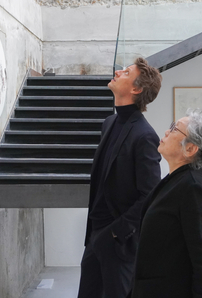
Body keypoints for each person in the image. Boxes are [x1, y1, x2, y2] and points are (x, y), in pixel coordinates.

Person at [77, 57, 163, 298]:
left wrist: (115, 233)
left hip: (118, 242)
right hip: (96, 235)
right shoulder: (109, 122)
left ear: (136, 89)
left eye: (125, 72)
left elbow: (149, 196)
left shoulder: (145, 136)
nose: (117, 72)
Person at [130, 110, 202, 298]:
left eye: (174, 129)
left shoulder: (193, 187)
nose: (166, 132)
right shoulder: (175, 181)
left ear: (190, 148)